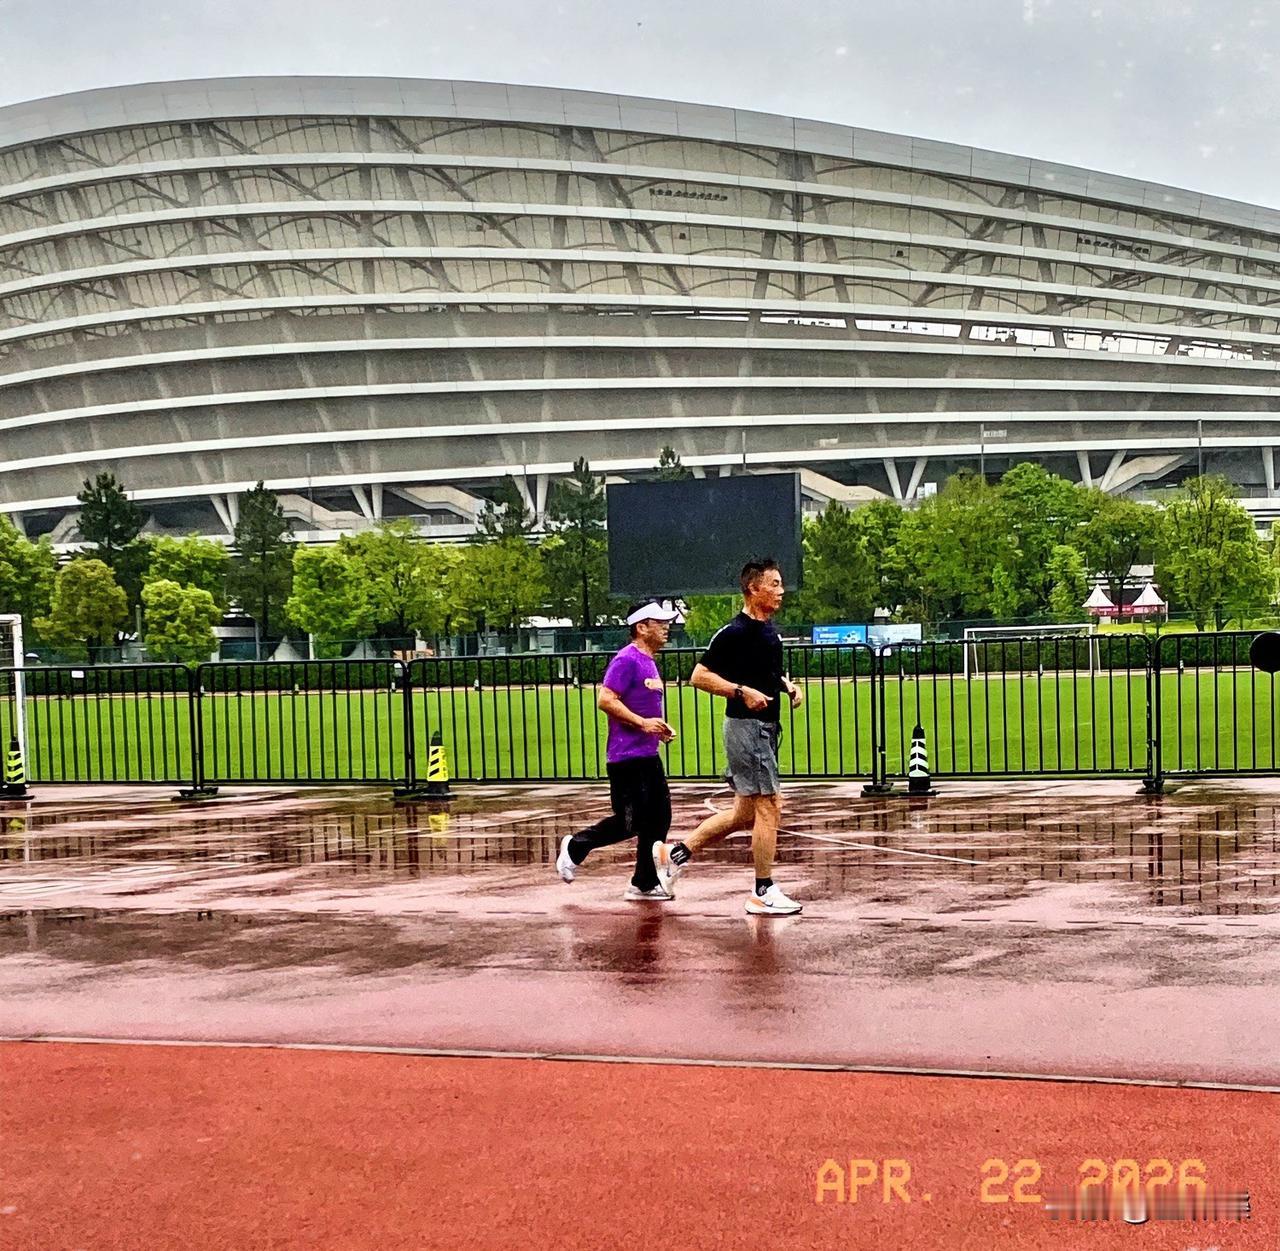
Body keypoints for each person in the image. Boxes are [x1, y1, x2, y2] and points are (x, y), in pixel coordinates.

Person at [656, 558, 804, 915]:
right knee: (770, 806)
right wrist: (741, 692)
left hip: (765, 729)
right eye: (775, 584)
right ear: (754, 588)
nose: (781, 591)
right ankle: (762, 891)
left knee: (743, 813)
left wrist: (787, 687)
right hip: (745, 727)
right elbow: (699, 676)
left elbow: (765, 673)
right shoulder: (733, 632)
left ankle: (674, 854)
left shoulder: (769, 631)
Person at [555, 601, 681, 900]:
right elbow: (606, 700)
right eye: (659, 622)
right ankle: (576, 846)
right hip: (626, 759)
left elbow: (642, 708)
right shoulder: (627, 660)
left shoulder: (649, 661)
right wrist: (642, 723)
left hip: (647, 755)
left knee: (660, 818)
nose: (666, 628)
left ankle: (643, 883)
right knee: (631, 823)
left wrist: (658, 730)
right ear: (641, 627)